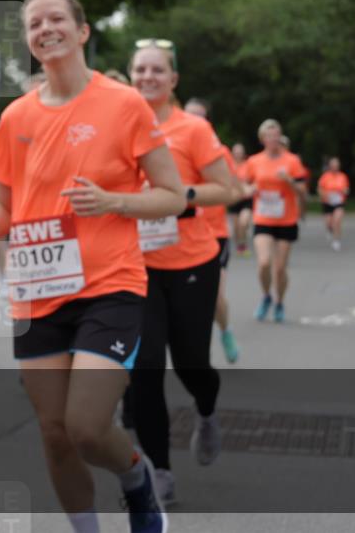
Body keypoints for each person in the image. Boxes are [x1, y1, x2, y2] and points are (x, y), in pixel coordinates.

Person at [0, 0, 179, 533]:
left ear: (82, 31)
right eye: (34, 23)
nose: (45, 28)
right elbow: (0, 200)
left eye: (56, 18)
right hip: (38, 289)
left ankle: (136, 477)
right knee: (54, 432)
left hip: (110, 284)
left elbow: (172, 194)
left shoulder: (124, 103)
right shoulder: (15, 117)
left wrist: (116, 202)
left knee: (85, 426)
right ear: (30, 42)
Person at [129, 44, 236, 506]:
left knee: (192, 360)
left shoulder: (193, 128)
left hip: (192, 261)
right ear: (131, 76)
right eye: (140, 69)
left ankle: (207, 411)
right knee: (145, 371)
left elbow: (226, 190)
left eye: (157, 70)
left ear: (173, 80)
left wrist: (177, 194)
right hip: (136, 266)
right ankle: (160, 471)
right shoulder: (119, 125)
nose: (148, 76)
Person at [184, 98, 240, 364]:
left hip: (213, 233)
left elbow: (235, 192)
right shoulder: (165, 146)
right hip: (178, 235)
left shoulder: (220, 153)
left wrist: (202, 196)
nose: (195, 121)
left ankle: (225, 330)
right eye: (190, 115)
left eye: (201, 117)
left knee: (215, 297)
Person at [239, 119, 307, 322]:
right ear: (262, 139)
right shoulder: (254, 161)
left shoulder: (292, 161)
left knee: (280, 268)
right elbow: (243, 185)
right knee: (264, 263)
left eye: (276, 135)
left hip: (286, 220)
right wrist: (249, 190)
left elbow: (303, 193)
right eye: (268, 136)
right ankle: (266, 295)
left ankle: (279, 302)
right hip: (263, 217)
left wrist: (290, 181)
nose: (273, 139)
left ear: (280, 137)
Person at [317, 157, 350, 251]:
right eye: (333, 165)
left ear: (338, 166)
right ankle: (329, 230)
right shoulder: (325, 176)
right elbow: (320, 189)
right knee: (328, 223)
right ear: (330, 166)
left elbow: (347, 189)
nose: (334, 167)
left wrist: (345, 191)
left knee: (337, 221)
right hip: (327, 202)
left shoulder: (343, 176)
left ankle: (336, 240)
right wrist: (323, 195)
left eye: (336, 165)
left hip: (339, 202)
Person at [227, 143, 253, 256]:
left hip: (246, 198)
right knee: (237, 226)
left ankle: (243, 244)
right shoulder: (229, 165)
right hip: (234, 198)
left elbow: (254, 179)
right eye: (236, 152)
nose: (238, 154)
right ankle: (240, 245)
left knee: (243, 222)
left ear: (243, 153)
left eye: (240, 152)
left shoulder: (249, 165)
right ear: (232, 153)